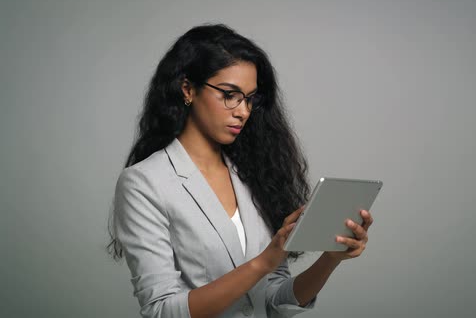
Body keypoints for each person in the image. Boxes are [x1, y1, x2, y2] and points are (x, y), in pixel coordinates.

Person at [107, 23, 374, 318]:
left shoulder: (254, 174)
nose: (243, 111)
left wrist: (331, 259)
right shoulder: (144, 183)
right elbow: (162, 310)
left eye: (249, 98)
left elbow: (273, 300)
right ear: (188, 89)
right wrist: (263, 262)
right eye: (230, 94)